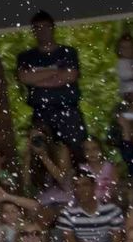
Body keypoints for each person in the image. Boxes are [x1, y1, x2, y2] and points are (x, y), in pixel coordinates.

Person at [16, 11, 88, 161]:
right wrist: (56, 72)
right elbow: (25, 77)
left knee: (77, 153)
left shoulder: (67, 52)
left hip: (69, 112)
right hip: (41, 113)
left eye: (46, 27)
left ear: (52, 28)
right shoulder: (25, 56)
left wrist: (38, 78)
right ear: (33, 31)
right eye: (38, 28)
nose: (42, 31)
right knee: (45, 155)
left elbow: (70, 76)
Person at [59, 174, 127, 242]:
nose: (81, 189)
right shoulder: (67, 214)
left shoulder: (112, 210)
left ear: (94, 186)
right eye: (77, 186)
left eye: (85, 185)